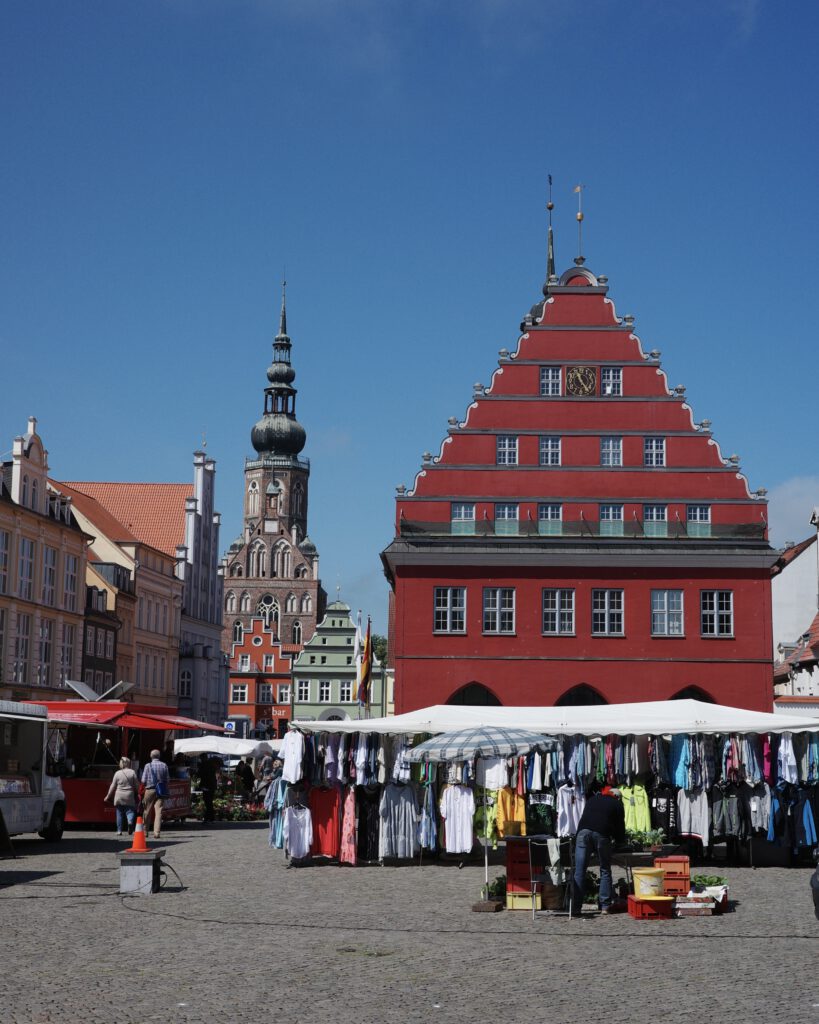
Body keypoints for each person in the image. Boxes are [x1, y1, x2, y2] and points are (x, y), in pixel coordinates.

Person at [571, 784, 626, 916]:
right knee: (605, 869)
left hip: (583, 833)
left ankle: (576, 907)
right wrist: (620, 843)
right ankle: (605, 906)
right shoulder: (617, 804)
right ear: (617, 797)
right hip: (602, 834)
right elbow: (620, 828)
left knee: (579, 871)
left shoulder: (593, 799)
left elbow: (583, 818)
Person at [104, 756, 139, 836]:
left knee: (119, 813)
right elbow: (137, 784)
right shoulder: (132, 772)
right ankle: (130, 822)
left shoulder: (117, 773)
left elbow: (112, 786)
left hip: (119, 795)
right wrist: (137, 792)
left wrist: (108, 796)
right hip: (129, 794)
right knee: (130, 811)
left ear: (122, 763)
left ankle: (119, 831)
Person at [141, 749, 171, 840]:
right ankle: (156, 833)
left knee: (147, 810)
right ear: (159, 756)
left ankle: (145, 831)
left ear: (151, 756)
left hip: (149, 790)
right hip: (160, 791)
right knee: (159, 812)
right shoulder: (164, 765)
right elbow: (167, 779)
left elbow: (143, 780)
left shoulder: (147, 766)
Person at [198, 754, 218, 823]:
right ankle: (210, 817)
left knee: (207, 802)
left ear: (203, 758)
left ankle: (208, 817)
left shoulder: (204, 765)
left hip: (207, 785)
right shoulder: (211, 765)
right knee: (209, 802)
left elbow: (201, 774)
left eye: (201, 758)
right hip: (211, 785)